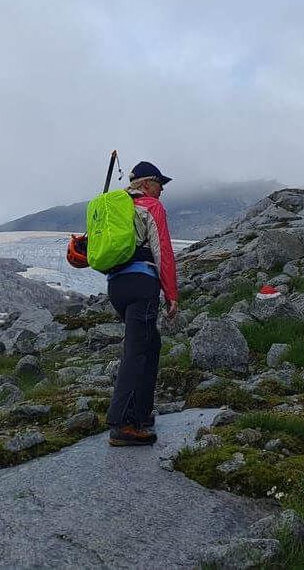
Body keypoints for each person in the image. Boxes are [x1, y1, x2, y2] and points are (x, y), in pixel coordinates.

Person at [106, 160, 178, 446]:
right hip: (141, 284)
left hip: (117, 287)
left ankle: (141, 414)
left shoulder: (115, 206)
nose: (162, 190)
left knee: (150, 343)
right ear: (147, 184)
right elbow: (163, 252)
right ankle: (122, 424)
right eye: (160, 184)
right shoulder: (151, 206)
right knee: (136, 351)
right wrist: (171, 294)